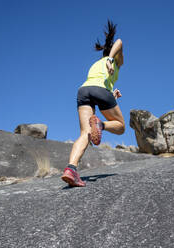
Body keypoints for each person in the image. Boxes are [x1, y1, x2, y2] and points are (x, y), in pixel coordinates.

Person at [61, 20, 125, 187]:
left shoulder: (96, 64)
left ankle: (71, 169)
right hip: (99, 91)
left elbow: (98, 84)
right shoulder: (115, 62)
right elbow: (120, 42)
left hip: (84, 90)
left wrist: (112, 96)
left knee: (85, 133)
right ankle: (101, 125)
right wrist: (112, 59)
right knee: (120, 126)